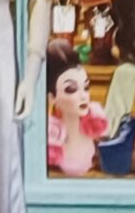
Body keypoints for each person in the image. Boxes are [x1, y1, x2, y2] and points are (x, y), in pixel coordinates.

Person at [44, 42, 107, 177]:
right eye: (71, 89)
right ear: (52, 97)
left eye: (86, 87)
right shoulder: (49, 137)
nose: (83, 96)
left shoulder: (95, 126)